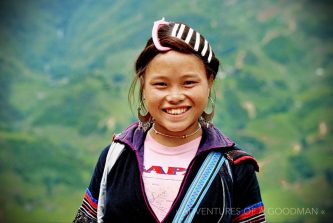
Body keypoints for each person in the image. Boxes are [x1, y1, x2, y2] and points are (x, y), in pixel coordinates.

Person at [73, 18, 265, 223]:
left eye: (189, 82)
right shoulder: (115, 157)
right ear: (143, 86)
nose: (175, 96)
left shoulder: (235, 168)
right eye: (161, 84)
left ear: (209, 82)